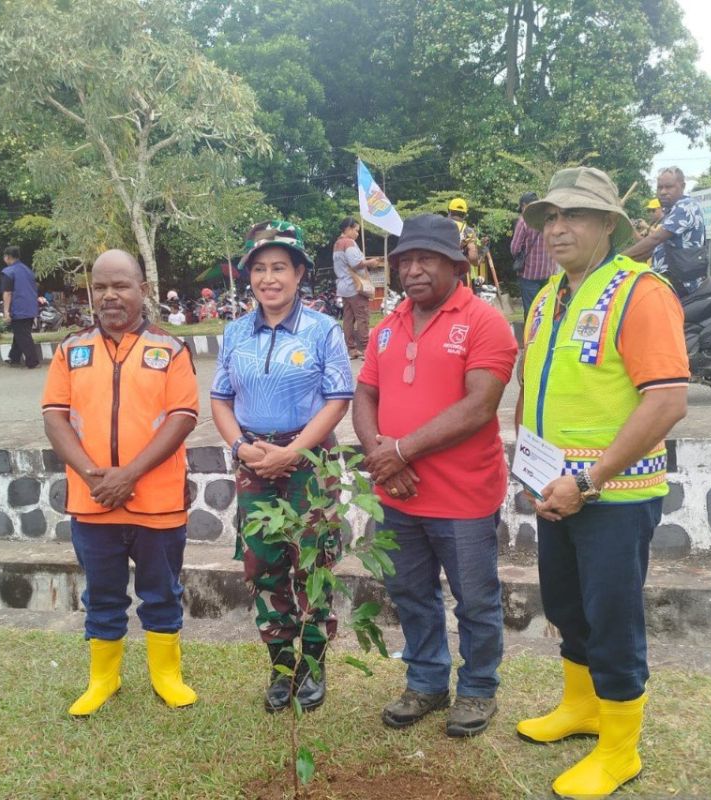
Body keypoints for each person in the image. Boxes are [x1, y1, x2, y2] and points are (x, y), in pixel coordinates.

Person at [515, 167, 688, 800]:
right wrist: (529, 467)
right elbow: (532, 388)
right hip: (552, 489)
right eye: (549, 218)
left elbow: (666, 402)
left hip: (612, 495)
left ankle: (619, 749)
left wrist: (586, 481)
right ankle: (580, 707)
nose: (557, 229)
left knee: (613, 617)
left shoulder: (641, 292)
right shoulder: (548, 295)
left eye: (574, 216)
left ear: (608, 224)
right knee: (566, 606)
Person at [353, 213, 518, 738]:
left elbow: (478, 406)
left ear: (457, 265)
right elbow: (365, 395)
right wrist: (381, 453)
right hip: (397, 494)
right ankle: (425, 680)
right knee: (410, 594)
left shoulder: (485, 323)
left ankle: (478, 688)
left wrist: (398, 451)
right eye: (405, 261)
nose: (413, 270)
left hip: (463, 496)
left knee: (474, 599)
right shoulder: (388, 325)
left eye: (427, 260)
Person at [41, 248, 200, 717]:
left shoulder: (170, 349)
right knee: (103, 595)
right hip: (92, 503)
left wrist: (128, 475)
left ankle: (166, 676)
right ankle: (102, 680)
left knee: (162, 592)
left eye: (121, 285)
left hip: (158, 502)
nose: (110, 296)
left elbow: (183, 417)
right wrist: (95, 476)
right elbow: (54, 417)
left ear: (143, 291)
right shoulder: (71, 350)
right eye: (100, 287)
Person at [211, 221, 353, 714]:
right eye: (259, 268)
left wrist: (293, 453)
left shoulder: (323, 330)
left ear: (298, 274)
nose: (268, 278)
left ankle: (312, 665)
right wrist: (240, 447)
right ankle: (280, 667)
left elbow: (338, 400)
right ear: (248, 275)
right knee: (265, 563)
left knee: (313, 563)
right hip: (252, 459)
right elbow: (220, 400)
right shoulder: (234, 333)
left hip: (309, 460)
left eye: (279, 268)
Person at [623, 167, 707, 297]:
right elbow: (650, 248)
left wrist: (619, 259)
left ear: (682, 186)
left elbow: (654, 239)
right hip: (667, 280)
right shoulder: (670, 213)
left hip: (680, 283)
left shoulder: (685, 206)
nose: (663, 192)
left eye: (669, 187)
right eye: (660, 187)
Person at [333, 217, 382, 359]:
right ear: (348, 229)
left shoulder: (337, 243)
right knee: (363, 317)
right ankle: (366, 349)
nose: (357, 234)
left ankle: (351, 349)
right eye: (356, 230)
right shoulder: (349, 242)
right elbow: (356, 263)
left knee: (348, 318)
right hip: (355, 287)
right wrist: (371, 262)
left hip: (343, 286)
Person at [510, 191, 558, 318]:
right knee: (547, 310)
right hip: (549, 273)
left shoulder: (523, 221)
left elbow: (514, 248)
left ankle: (531, 337)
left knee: (532, 311)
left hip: (529, 274)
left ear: (524, 205)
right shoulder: (549, 218)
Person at [0, 246, 40, 368]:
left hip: (19, 308)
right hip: (31, 307)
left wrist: (6, 311)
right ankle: (14, 358)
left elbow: (7, 293)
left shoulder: (9, 272)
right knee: (20, 333)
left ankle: (33, 361)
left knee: (23, 335)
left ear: (7, 257)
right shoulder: (28, 270)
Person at [446, 198, 483, 283]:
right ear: (465, 215)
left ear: (449, 212)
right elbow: (473, 257)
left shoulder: (439, 228)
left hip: (441, 272)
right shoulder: (468, 231)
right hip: (460, 274)